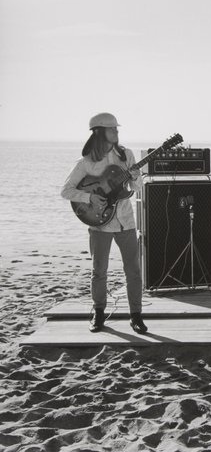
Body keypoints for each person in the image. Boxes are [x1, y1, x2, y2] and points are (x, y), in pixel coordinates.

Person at [61, 113, 147, 334]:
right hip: (99, 223)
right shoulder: (87, 161)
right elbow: (66, 190)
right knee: (99, 271)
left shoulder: (126, 154)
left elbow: (136, 189)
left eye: (117, 129)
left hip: (125, 221)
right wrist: (89, 197)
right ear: (99, 132)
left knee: (134, 271)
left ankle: (136, 316)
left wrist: (136, 176)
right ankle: (98, 314)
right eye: (112, 129)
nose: (117, 132)